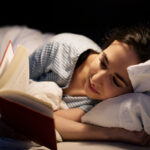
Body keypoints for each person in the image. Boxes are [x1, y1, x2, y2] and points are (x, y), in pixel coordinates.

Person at [0, 24, 150, 149]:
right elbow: (15, 78)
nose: (97, 79)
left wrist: (117, 133)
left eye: (116, 81)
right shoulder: (60, 49)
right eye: (103, 62)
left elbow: (46, 120)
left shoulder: (104, 105)